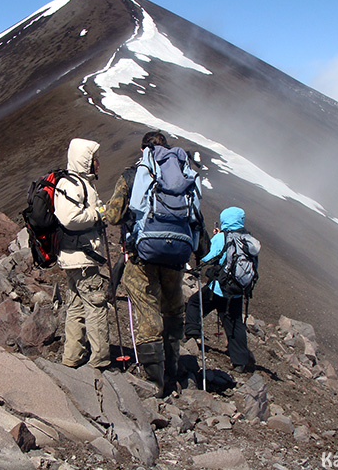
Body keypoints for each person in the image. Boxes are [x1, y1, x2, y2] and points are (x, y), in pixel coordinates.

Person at [105, 131, 207, 395]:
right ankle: (173, 372)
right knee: (173, 310)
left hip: (143, 257)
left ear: (143, 151)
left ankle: (155, 381)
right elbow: (196, 218)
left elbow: (113, 216)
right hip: (176, 257)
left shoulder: (133, 174)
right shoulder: (183, 176)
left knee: (148, 312)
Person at [54, 138, 110, 370]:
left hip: (73, 257)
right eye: (94, 159)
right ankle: (100, 360)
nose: (98, 163)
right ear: (85, 161)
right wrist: (97, 215)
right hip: (83, 257)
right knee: (96, 306)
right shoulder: (74, 185)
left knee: (76, 306)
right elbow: (69, 218)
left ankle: (72, 357)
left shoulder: (73, 183)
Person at [184, 206, 259, 372]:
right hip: (237, 291)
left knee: (195, 303)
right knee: (234, 324)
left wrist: (216, 237)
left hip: (218, 289)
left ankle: (192, 334)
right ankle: (239, 362)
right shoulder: (248, 241)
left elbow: (207, 257)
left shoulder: (223, 237)